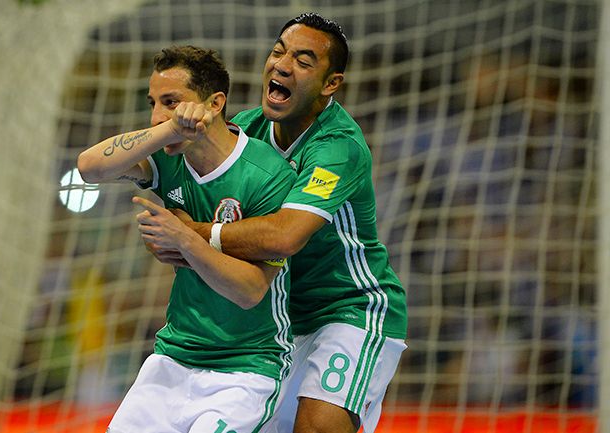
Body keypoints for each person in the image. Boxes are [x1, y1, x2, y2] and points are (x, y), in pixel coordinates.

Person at [153, 14, 408, 433]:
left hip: (348, 309)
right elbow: (165, 175)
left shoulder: (337, 147)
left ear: (330, 84)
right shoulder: (247, 129)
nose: (282, 65)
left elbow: (284, 236)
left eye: (304, 61)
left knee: (316, 427)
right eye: (278, 52)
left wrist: (187, 235)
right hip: (278, 321)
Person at [77, 45, 297, 433]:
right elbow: (89, 168)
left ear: (215, 104)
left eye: (172, 102)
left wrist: (186, 239)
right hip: (172, 359)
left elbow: (249, 291)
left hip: (246, 370)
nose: (158, 116)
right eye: (153, 103)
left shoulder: (267, 174)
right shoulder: (167, 157)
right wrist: (171, 127)